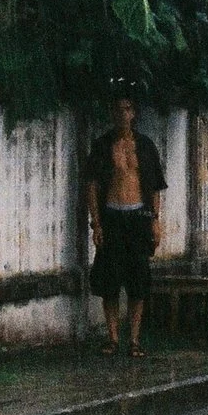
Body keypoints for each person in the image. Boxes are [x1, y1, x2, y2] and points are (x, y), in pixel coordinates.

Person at [82, 95, 166, 358]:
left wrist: (154, 220)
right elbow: (92, 186)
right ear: (112, 113)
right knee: (110, 280)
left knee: (137, 280)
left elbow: (154, 187)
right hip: (112, 216)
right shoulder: (103, 145)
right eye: (118, 110)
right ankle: (113, 338)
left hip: (138, 217)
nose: (123, 114)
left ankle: (135, 339)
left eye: (128, 109)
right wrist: (96, 223)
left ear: (134, 113)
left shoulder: (145, 146)